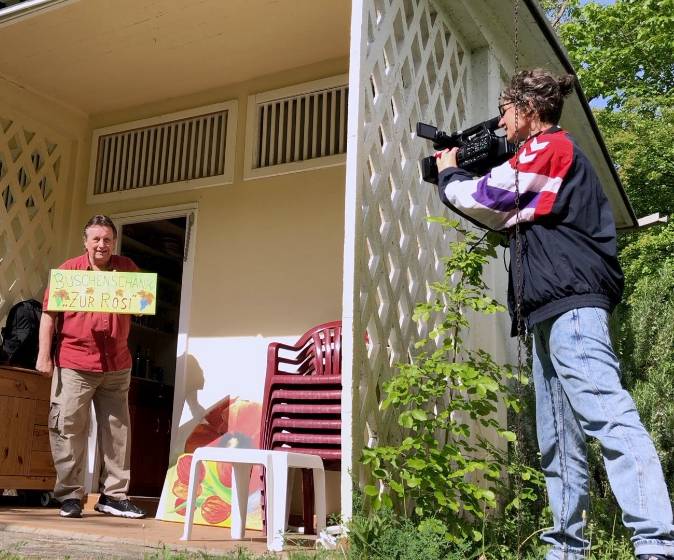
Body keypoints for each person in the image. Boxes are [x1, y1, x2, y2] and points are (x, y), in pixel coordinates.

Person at [434, 69, 674, 560]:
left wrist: (450, 171)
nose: (501, 124)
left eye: (505, 113)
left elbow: (488, 199)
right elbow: (510, 214)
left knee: (609, 417)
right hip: (548, 310)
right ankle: (566, 550)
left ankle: (656, 545)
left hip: (575, 308)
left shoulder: (551, 149)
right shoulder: (541, 158)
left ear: (527, 109)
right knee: (558, 439)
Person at [35, 215, 146, 520]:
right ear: (85, 242)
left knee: (118, 432)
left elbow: (141, 302)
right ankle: (70, 496)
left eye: (107, 239)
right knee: (68, 428)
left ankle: (114, 496)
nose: (102, 245)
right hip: (74, 363)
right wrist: (43, 356)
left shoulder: (126, 268)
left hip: (116, 364)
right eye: (96, 239)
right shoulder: (68, 271)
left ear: (114, 242)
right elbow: (49, 316)